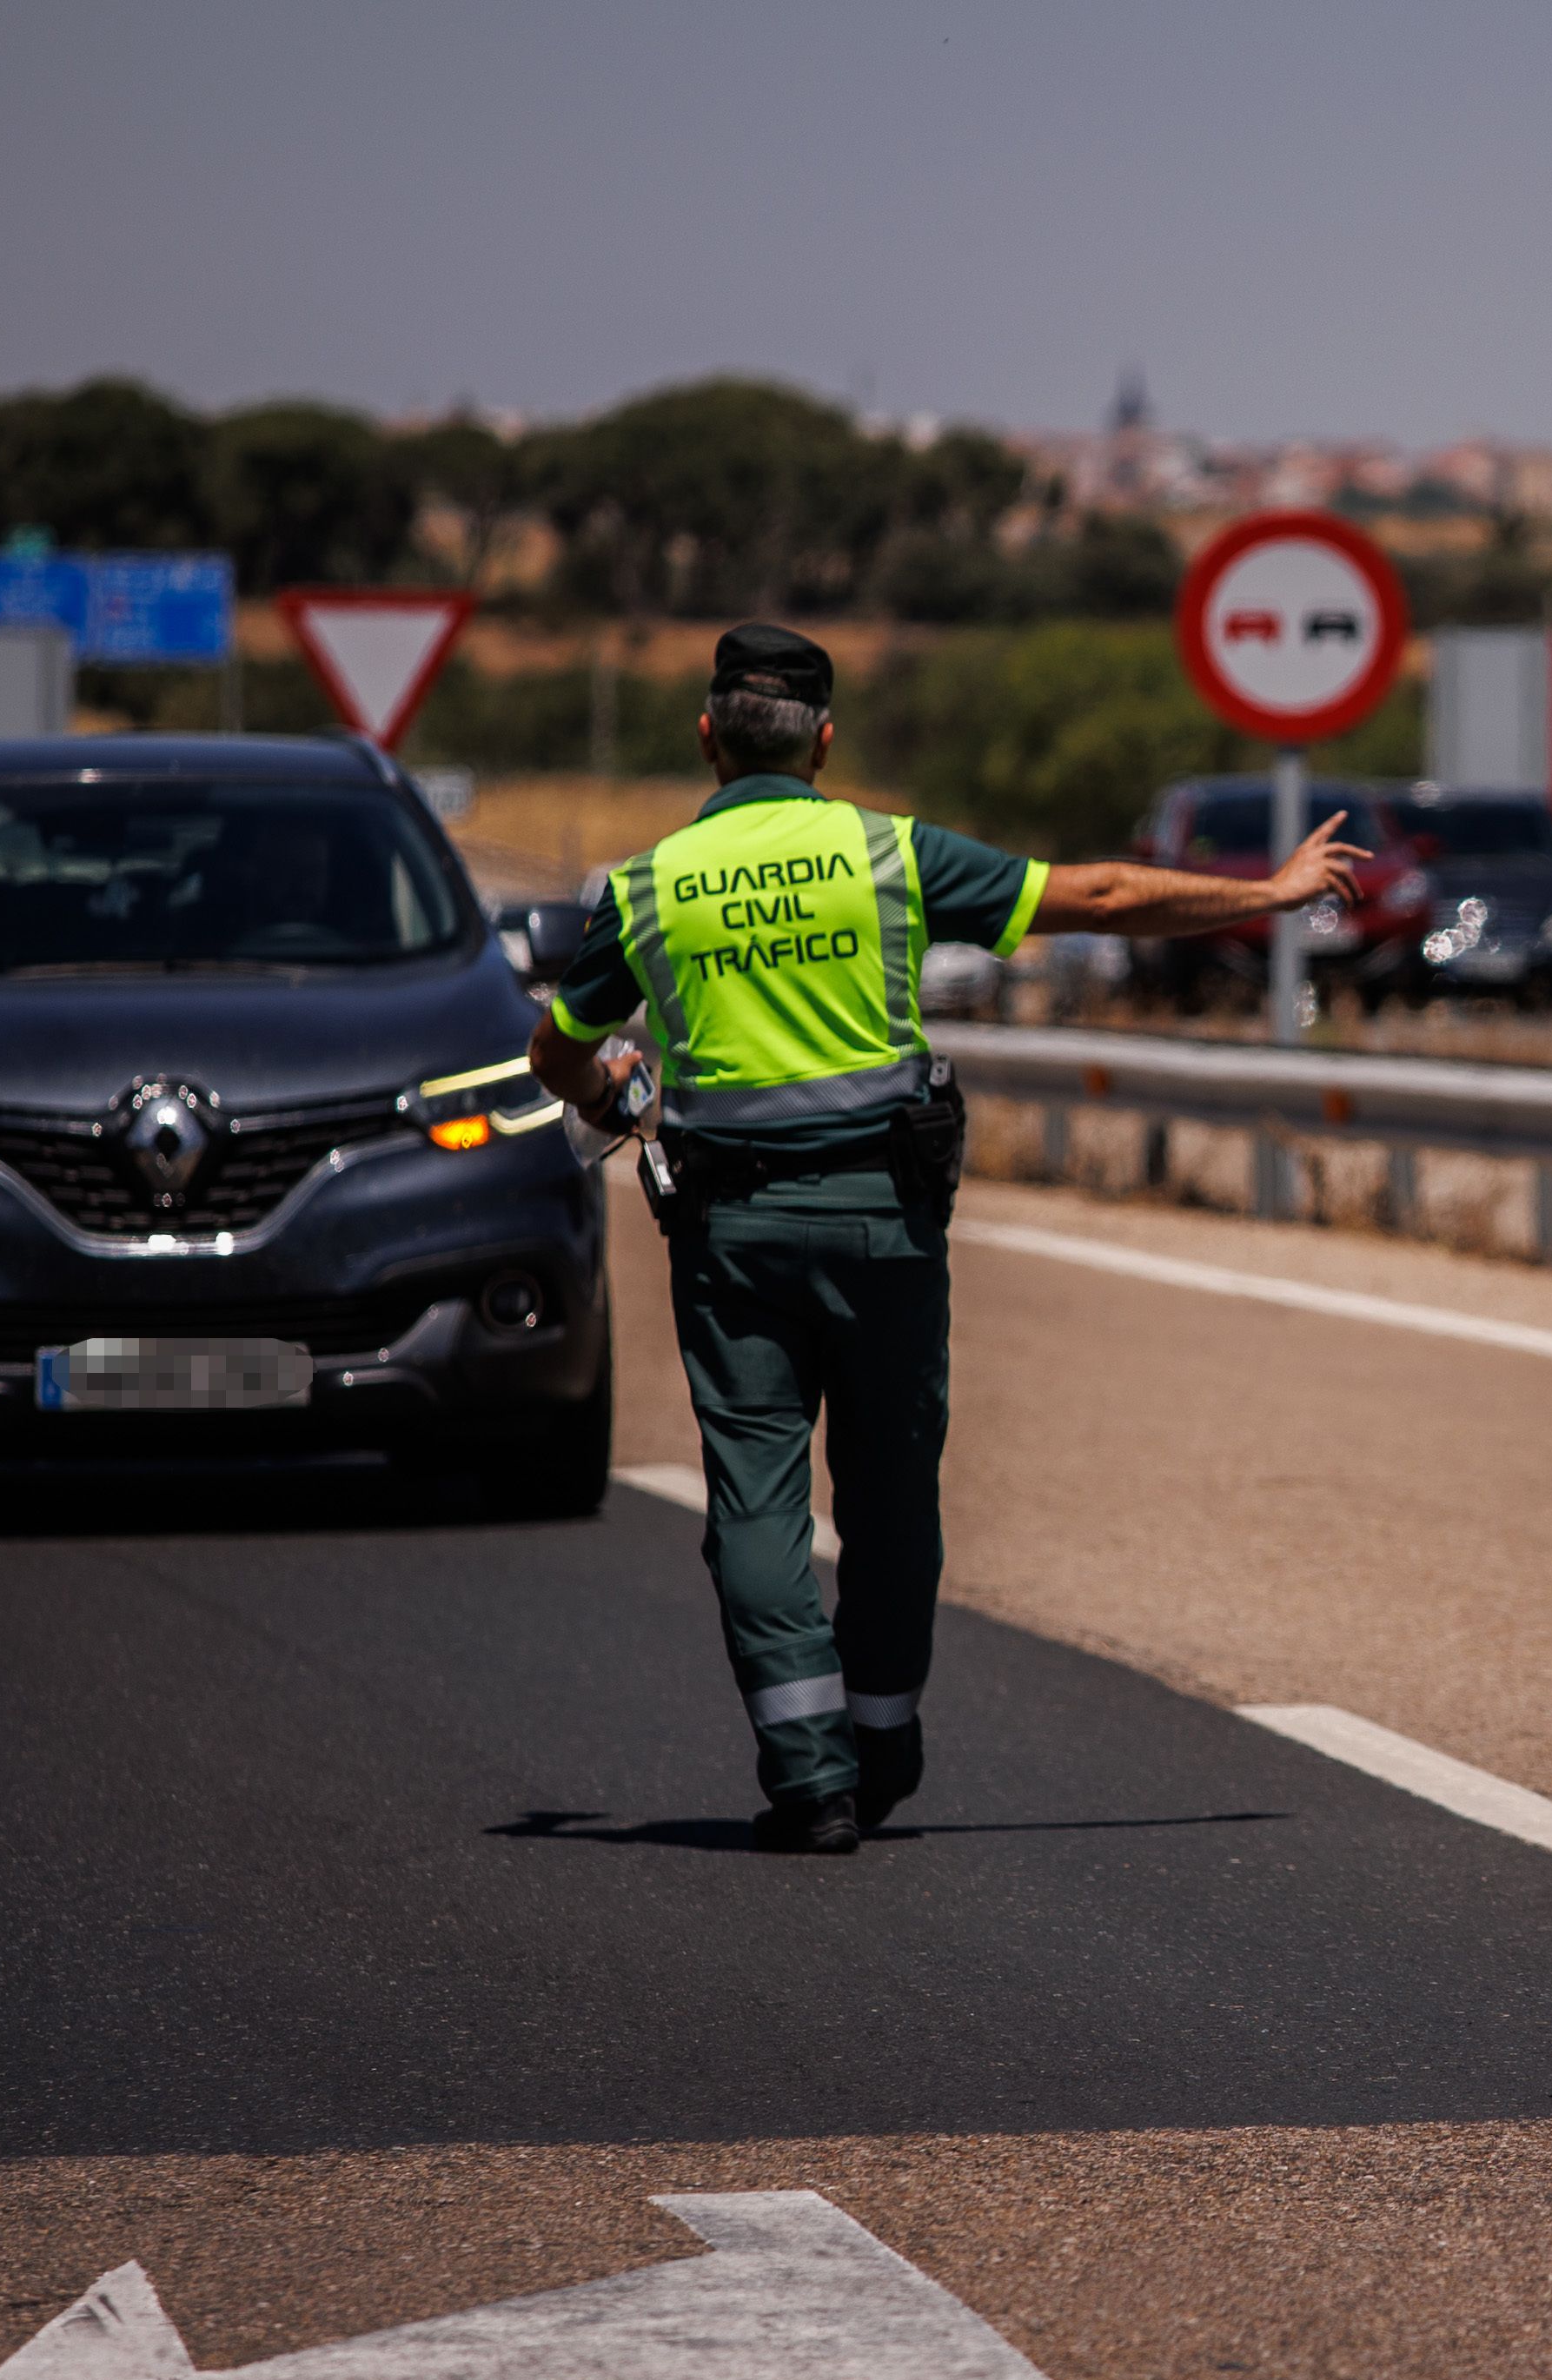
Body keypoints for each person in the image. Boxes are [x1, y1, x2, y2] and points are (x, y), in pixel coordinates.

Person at [526, 622, 1369, 1854]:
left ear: (706, 737)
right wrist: (1271, 892)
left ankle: (809, 1775)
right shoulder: (888, 855)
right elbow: (1108, 894)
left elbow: (557, 1049)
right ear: (825, 740)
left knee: (755, 1501)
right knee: (889, 1486)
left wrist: (613, 1092)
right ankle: (882, 1738)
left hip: (733, 1235)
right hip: (884, 1227)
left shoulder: (645, 888)